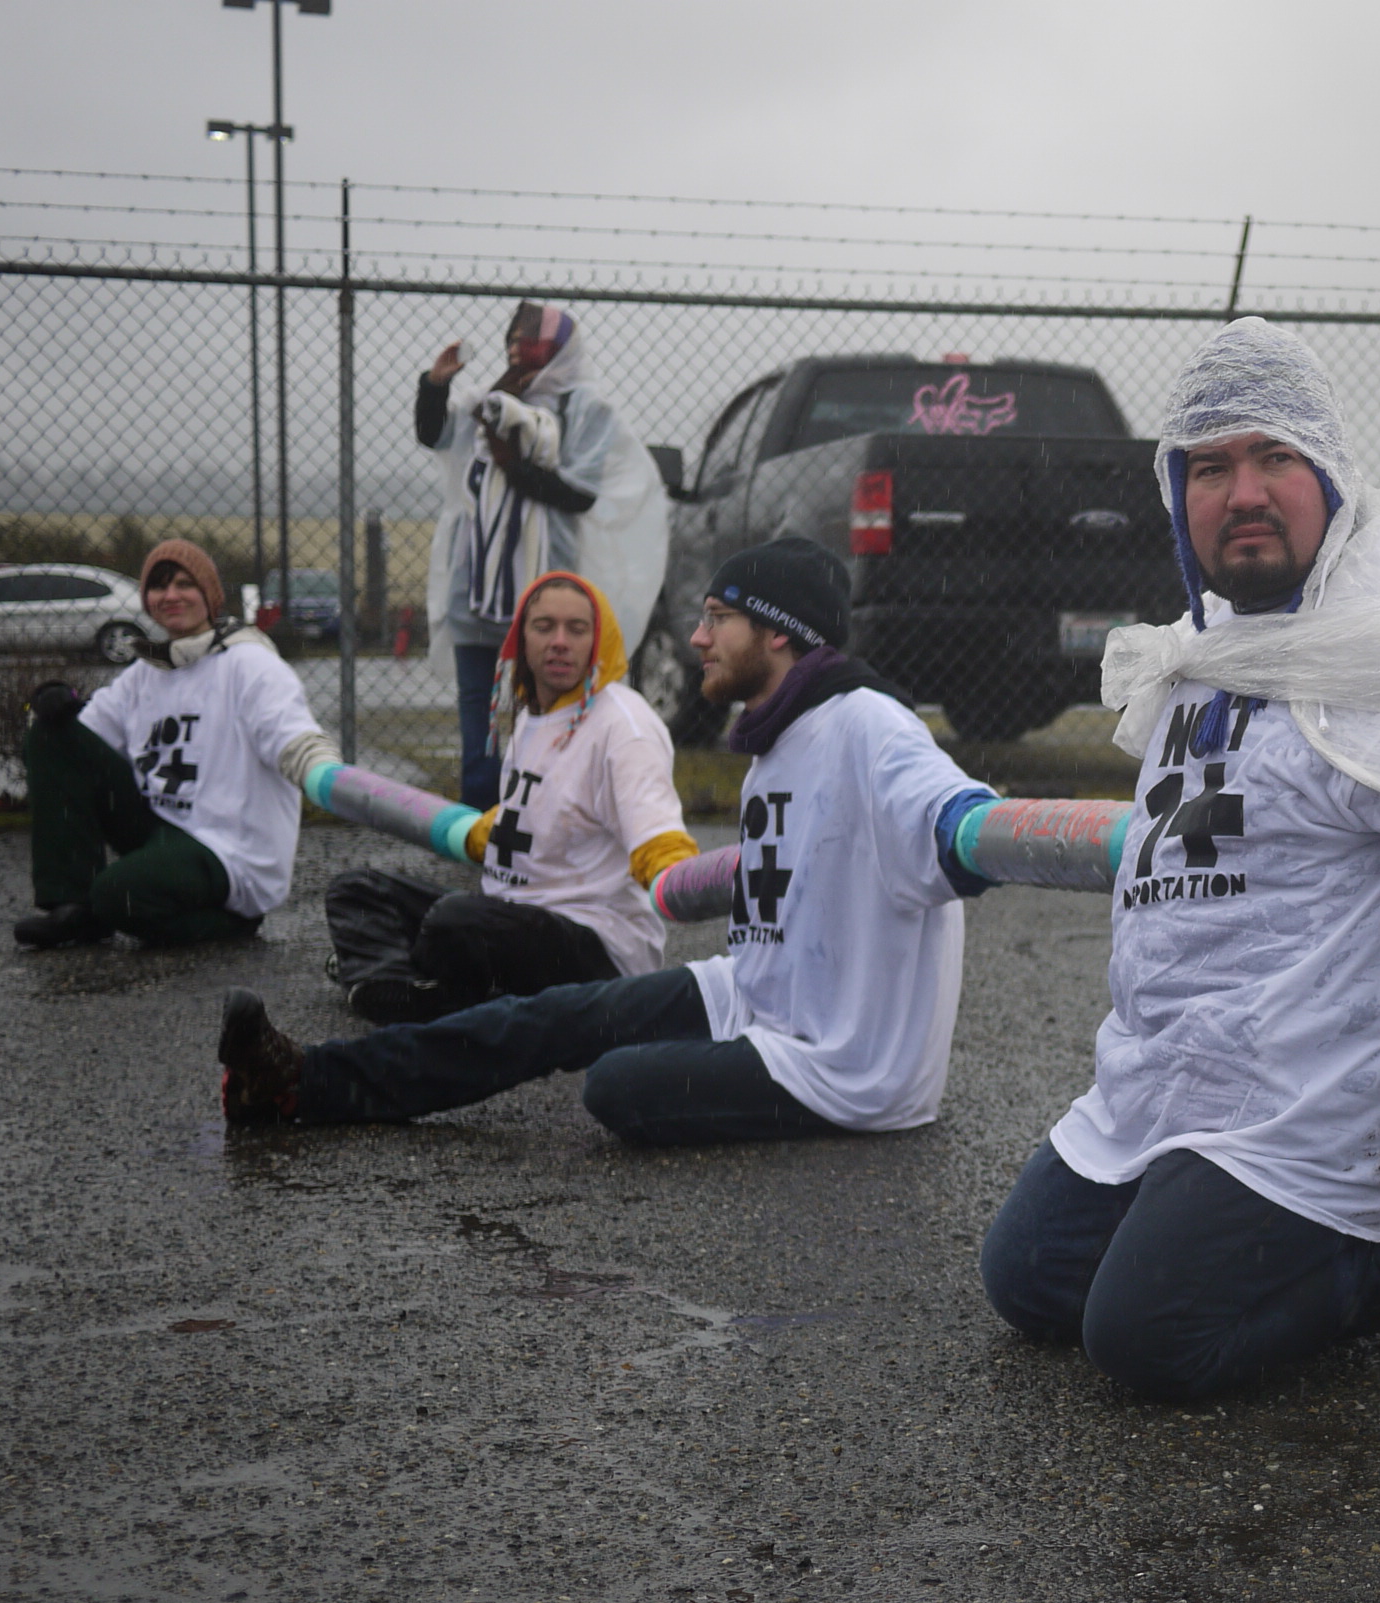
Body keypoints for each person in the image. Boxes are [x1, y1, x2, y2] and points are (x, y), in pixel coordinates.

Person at [978, 317, 1380, 1403]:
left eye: (1273, 455)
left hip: (1315, 1094)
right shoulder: (1204, 648)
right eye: (1211, 464)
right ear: (1174, 494)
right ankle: (1229, 1225)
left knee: (1145, 1340)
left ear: (1327, 472)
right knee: (1030, 1284)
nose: (1242, 489)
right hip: (1176, 1078)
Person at [216, 538, 997, 1148]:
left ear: (779, 631)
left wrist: (984, 832)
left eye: (717, 617)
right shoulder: (778, 744)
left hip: (843, 1067)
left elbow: (956, 814)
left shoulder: (869, 722)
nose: (696, 637)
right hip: (756, 995)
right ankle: (302, 1084)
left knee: (616, 1086)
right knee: (544, 1019)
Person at [321, 570, 697, 1024]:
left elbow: (656, 833)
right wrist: (482, 832)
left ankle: (413, 982)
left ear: (600, 641)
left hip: (595, 947)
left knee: (455, 922)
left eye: (577, 629)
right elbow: (533, 811)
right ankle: (398, 991)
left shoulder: (624, 725)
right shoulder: (529, 714)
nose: (559, 641)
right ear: (522, 637)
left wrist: (682, 878)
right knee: (357, 891)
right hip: (511, 918)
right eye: (544, 627)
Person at [13, 538, 335, 949]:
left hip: (229, 848)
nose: (170, 596)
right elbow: (75, 746)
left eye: (184, 584)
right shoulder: (146, 672)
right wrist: (49, 704)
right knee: (50, 732)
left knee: (119, 895)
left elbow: (288, 732)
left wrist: (324, 771)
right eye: (158, 587)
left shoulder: (250, 664)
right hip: (161, 829)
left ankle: (233, 923)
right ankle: (71, 907)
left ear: (210, 596)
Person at [420, 301, 665, 808]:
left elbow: (579, 493)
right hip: (478, 593)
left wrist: (515, 465)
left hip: (545, 600)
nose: (518, 349)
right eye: (513, 340)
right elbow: (435, 434)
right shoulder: (492, 400)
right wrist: (435, 385)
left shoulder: (584, 409)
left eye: (531, 341)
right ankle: (484, 842)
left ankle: (541, 828)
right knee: (479, 729)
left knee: (546, 723)